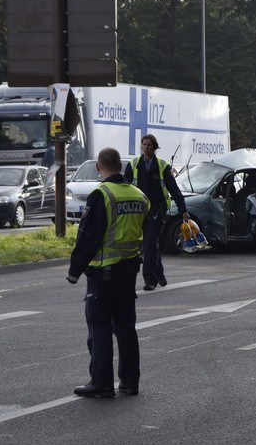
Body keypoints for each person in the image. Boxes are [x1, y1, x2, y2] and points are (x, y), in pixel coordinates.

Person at [67, 147, 150, 398]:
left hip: (103, 273)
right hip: (129, 270)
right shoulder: (140, 196)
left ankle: (101, 382)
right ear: (122, 167)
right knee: (126, 327)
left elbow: (88, 236)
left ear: (98, 167)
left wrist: (74, 270)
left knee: (100, 326)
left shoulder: (101, 195)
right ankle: (129, 382)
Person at [123, 134, 189, 291]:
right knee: (151, 245)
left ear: (154, 147)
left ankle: (150, 280)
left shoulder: (162, 166)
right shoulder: (133, 164)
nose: (146, 147)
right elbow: (124, 186)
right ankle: (160, 274)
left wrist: (183, 210)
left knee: (149, 243)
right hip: (139, 210)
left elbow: (174, 188)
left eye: (149, 145)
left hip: (158, 209)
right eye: (144, 144)